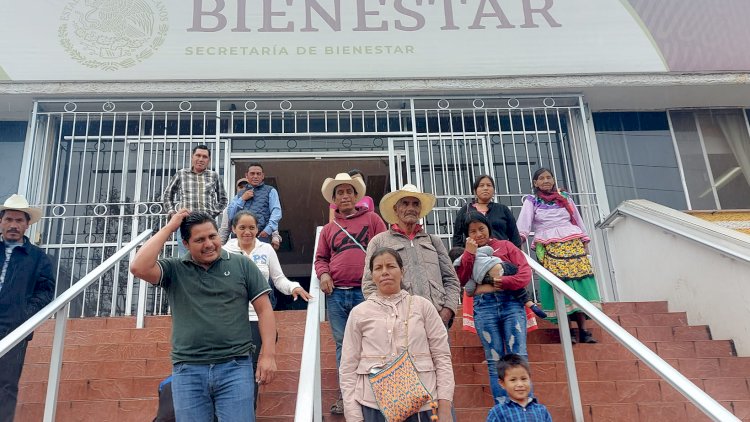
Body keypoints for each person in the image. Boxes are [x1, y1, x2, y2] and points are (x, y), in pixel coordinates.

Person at [130, 210, 277, 421]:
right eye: (199, 240)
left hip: (235, 367)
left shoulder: (242, 264)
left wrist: (268, 355)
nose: (209, 244)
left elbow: (264, 310)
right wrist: (170, 227)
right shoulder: (175, 269)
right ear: (186, 244)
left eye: (212, 236)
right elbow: (138, 267)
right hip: (188, 370)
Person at [340, 247, 454, 422]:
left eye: (391, 266)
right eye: (378, 268)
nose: (385, 272)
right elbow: (348, 367)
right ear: (372, 276)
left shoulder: (423, 306)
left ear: (402, 271)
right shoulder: (359, 313)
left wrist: (445, 407)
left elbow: (442, 356)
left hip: (424, 405)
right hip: (374, 406)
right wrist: (353, 415)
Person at [314, 173, 387, 414]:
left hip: (367, 293)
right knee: (343, 346)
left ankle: (376, 396)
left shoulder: (373, 219)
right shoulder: (328, 229)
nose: (345, 196)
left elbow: (385, 251)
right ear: (334, 199)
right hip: (337, 295)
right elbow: (320, 258)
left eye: (348, 191)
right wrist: (324, 274)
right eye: (340, 193)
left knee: (373, 343)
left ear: (356, 196)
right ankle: (348, 396)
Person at [224, 210, 311, 407]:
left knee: (250, 369)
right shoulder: (225, 251)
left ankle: (247, 412)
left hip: (258, 319)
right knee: (234, 370)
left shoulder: (266, 249)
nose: (247, 232)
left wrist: (294, 287)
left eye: (252, 228)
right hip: (231, 320)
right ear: (233, 229)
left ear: (258, 229)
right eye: (242, 227)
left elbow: (278, 279)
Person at [516, 168, 602, 344]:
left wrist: (584, 240)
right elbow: (524, 223)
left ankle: (584, 331)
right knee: (559, 285)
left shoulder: (564, 197)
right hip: (549, 246)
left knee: (578, 283)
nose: (546, 180)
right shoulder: (532, 201)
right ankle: (567, 331)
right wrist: (519, 241)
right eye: (541, 178)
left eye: (549, 177)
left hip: (573, 244)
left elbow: (576, 218)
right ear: (535, 183)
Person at [455, 212, 532, 404]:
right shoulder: (466, 254)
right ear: (467, 235)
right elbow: (462, 280)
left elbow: (524, 274)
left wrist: (503, 281)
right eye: (472, 231)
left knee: (518, 356)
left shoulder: (506, 246)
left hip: (511, 304)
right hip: (484, 307)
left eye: (481, 229)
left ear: (489, 228)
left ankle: (525, 408)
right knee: (494, 360)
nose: (478, 234)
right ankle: (503, 408)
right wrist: (469, 254)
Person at [362, 184, 461, 329]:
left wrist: (447, 311)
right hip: (398, 323)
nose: (411, 208)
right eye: (405, 203)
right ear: (395, 209)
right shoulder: (379, 242)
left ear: (420, 210)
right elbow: (369, 284)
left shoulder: (433, 241)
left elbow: (451, 280)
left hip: (436, 320)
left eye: (415, 204)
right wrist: (388, 314)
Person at [0, 194, 55, 422]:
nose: (13, 225)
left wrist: (24, 315)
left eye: (19, 220)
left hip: (15, 328)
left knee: (6, 385)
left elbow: (46, 291)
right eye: (9, 219)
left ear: (27, 224)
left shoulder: (38, 258)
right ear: (1, 222)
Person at [162, 145, 228, 255]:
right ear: (192, 157)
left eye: (205, 157)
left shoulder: (214, 176)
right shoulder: (181, 174)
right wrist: (172, 213)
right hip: (185, 224)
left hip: (207, 224)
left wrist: (212, 212)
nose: (201, 159)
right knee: (186, 257)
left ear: (209, 160)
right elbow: (168, 195)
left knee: (208, 255)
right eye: (198, 155)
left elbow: (223, 199)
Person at [448, 246, 546, 319]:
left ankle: (529, 303)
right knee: (516, 283)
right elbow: (489, 250)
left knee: (511, 289)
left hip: (490, 278)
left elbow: (470, 289)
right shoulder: (476, 253)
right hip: (503, 266)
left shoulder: (466, 273)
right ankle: (530, 303)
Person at [452, 175, 521, 248]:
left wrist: (517, 252)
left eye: (489, 185)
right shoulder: (465, 210)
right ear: (475, 190)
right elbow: (457, 237)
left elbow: (515, 237)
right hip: (474, 253)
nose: (485, 188)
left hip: (501, 252)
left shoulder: (503, 209)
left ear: (493, 190)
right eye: (481, 185)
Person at [485, 354, 552, 422]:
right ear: (502, 383)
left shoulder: (541, 410)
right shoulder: (497, 412)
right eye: (513, 380)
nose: (520, 384)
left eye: (523, 379)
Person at [227, 162, 282, 245]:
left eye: (258, 174)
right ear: (246, 175)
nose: (255, 176)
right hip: (240, 237)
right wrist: (242, 199)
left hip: (261, 236)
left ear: (262, 176)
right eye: (252, 173)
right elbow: (231, 215)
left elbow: (276, 212)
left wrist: (268, 230)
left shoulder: (270, 191)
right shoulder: (240, 194)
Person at [219, 178, 282, 249]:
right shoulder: (230, 208)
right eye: (241, 187)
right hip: (238, 245)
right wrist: (220, 248)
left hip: (259, 243)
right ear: (236, 190)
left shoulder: (261, 204)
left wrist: (275, 236)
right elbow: (225, 229)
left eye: (246, 186)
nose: (244, 189)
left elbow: (272, 219)